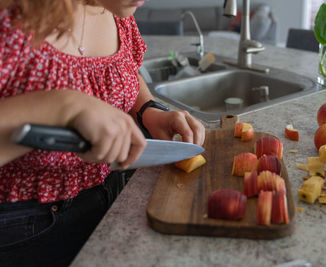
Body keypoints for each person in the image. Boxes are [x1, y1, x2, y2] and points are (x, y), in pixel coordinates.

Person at [0, 0, 205, 266]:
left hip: (109, 198)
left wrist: (146, 109)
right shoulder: (10, 16)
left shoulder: (113, 8)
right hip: (23, 227)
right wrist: (63, 106)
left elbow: (122, 69)